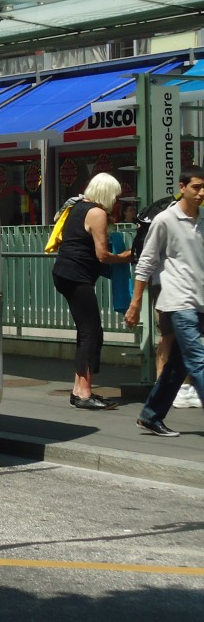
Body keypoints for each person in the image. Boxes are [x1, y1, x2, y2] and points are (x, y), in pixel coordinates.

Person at [124, 165, 204, 437]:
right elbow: (145, 263)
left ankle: (151, 415)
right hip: (178, 302)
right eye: (196, 187)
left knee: (179, 364)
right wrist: (135, 303)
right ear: (182, 187)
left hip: (199, 301)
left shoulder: (201, 221)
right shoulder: (165, 220)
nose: (201, 192)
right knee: (198, 361)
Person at [51, 173, 131, 410]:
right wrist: (126, 256)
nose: (116, 201)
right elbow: (102, 255)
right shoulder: (97, 213)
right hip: (77, 276)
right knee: (92, 333)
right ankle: (85, 394)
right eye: (115, 196)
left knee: (86, 333)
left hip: (66, 273)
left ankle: (78, 391)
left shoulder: (77, 206)